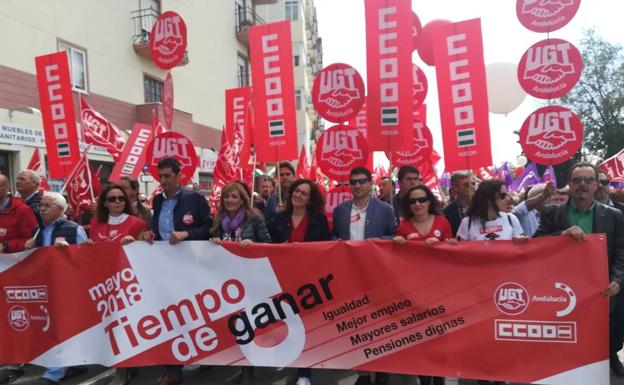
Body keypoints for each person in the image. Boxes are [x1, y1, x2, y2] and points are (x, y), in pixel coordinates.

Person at [534, 162, 624, 376]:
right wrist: (560, 236)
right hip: (562, 288)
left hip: (600, 287)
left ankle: (609, 356)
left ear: (596, 186)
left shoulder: (614, 216)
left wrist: (617, 280)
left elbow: (621, 252)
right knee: (568, 335)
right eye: (577, 180)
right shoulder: (552, 212)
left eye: (588, 180)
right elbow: (536, 242)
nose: (582, 185)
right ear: (569, 185)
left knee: (605, 332)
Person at [145, 157, 212, 385]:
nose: (163, 181)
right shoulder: (157, 201)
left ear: (178, 175)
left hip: (192, 266)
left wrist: (188, 234)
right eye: (160, 176)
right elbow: (157, 228)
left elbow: (210, 228)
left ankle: (206, 352)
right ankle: (173, 370)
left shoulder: (195, 198)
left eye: (167, 176)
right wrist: (150, 234)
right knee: (169, 315)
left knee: (195, 313)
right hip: (164, 268)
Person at [332, 167, 395, 385]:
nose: (357, 186)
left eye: (361, 181)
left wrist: (375, 244)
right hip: (350, 276)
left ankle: (383, 371)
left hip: (377, 274)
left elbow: (394, 236)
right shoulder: (340, 210)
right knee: (358, 325)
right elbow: (334, 236)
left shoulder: (385, 209)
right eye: (353, 182)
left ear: (370, 183)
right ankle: (364, 373)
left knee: (381, 324)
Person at [210, 181, 270, 385]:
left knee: (247, 323)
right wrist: (215, 241)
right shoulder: (218, 219)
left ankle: (248, 369)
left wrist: (254, 245)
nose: (229, 200)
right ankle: (239, 363)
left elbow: (269, 245)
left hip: (249, 278)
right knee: (232, 324)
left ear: (242, 199)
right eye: (226, 196)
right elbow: (211, 245)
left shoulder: (254, 218)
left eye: (234, 196)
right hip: (226, 280)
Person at [26, 192, 88, 385]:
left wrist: (70, 250)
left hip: (66, 286)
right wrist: (27, 246)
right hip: (44, 285)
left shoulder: (73, 229)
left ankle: (53, 373)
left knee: (59, 327)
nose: (41, 208)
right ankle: (75, 363)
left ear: (60, 210)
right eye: (41, 205)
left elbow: (87, 258)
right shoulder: (38, 230)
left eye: (47, 205)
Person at [457, 180, 525, 243]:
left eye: (506, 195)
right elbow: (461, 251)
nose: (507, 199)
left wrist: (520, 241)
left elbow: (520, 250)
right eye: (502, 196)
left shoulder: (511, 219)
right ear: (488, 199)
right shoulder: (467, 223)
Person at [443, 171, 476, 236]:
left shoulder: (483, 206)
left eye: (473, 183)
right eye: (466, 185)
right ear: (455, 188)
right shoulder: (446, 213)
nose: (471, 186)